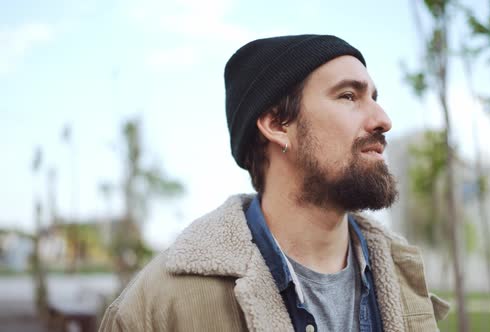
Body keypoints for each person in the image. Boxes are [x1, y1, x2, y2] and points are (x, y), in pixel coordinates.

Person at [99, 34, 449, 332]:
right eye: (348, 96)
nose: (383, 119)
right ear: (277, 124)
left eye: (374, 97)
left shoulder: (403, 277)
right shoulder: (159, 306)